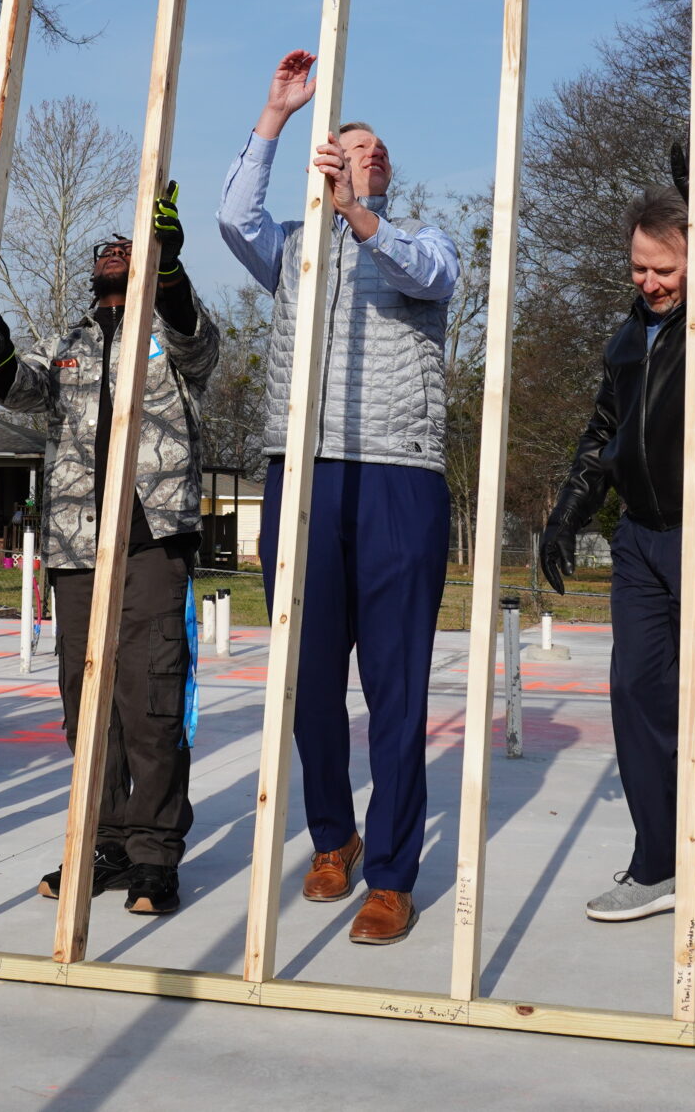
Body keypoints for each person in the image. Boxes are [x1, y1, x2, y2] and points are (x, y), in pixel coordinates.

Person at [220, 51, 459, 945]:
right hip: (305, 469)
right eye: (353, 146)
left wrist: (358, 211)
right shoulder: (291, 249)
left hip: (398, 474)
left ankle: (394, 873)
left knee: (395, 687)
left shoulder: (419, 239)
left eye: (379, 150)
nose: (371, 154)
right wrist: (276, 116)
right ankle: (335, 836)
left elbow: (428, 279)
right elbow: (230, 215)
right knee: (305, 679)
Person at [537, 129, 695, 944]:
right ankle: (658, 860)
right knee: (637, 693)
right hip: (642, 538)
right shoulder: (627, 333)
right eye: (640, 267)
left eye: (666, 269)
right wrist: (569, 508)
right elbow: (603, 427)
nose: (651, 283)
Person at [0, 187, 219, 917]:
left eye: (128, 246)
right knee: (88, 703)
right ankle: (106, 839)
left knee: (149, 696)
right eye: (106, 250)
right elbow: (19, 387)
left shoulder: (173, 329)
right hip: (78, 546)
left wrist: (170, 267)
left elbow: (197, 340)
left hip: (150, 537)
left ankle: (153, 850)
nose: (113, 251)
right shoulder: (72, 344)